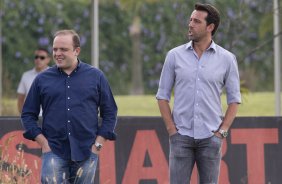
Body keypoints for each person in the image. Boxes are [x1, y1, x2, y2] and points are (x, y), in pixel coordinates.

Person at [156, 3, 241, 184]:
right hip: (181, 137)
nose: (190, 24)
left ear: (210, 27)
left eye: (196, 21)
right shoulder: (174, 56)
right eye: (190, 20)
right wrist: (172, 130)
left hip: (211, 138)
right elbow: (162, 96)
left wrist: (222, 132)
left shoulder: (227, 59)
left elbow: (234, 100)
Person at [21, 29, 118, 184]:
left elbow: (110, 112)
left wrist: (97, 145)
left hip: (87, 152)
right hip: (53, 151)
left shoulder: (96, 76)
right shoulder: (42, 79)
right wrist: (44, 144)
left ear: (76, 50)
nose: (57, 53)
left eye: (63, 49)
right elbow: (27, 114)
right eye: (55, 49)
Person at [17, 48, 50, 114]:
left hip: (50, 119)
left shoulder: (54, 76)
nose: (38, 59)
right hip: (31, 119)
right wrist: (25, 116)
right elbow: (20, 99)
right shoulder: (26, 76)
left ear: (48, 60)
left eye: (42, 57)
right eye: (36, 57)